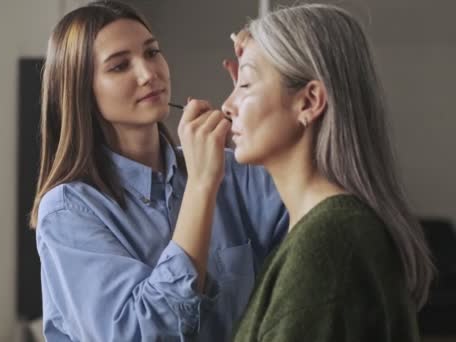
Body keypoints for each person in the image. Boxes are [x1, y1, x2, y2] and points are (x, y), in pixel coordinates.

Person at [29, 1, 287, 341]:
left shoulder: (235, 172)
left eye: (152, 53)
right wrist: (200, 187)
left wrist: (271, 91)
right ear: (82, 92)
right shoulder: (68, 210)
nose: (148, 73)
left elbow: (320, 219)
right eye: (120, 66)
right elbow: (137, 335)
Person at [215, 4, 434, 341]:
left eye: (244, 84)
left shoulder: (327, 244)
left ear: (309, 101)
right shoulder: (332, 230)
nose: (227, 106)